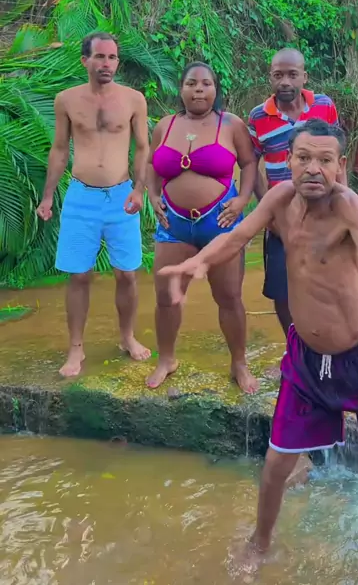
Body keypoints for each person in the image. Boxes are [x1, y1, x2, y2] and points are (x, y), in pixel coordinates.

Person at [159, 119, 358, 574]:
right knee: (275, 465)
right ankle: (259, 544)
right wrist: (201, 261)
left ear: (340, 166)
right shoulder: (279, 200)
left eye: (325, 160)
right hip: (305, 360)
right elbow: (238, 235)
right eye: (303, 157)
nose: (313, 168)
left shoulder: (349, 209)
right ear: (288, 161)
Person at [37, 32, 151, 377]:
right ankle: (76, 348)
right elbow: (60, 149)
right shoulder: (67, 100)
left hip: (121, 196)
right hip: (81, 197)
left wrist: (139, 190)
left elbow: (142, 147)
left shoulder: (133, 100)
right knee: (79, 275)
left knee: (127, 274)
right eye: (100, 56)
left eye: (112, 57)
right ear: (85, 60)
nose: (107, 64)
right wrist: (47, 196)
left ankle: (127, 337)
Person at [145, 61, 258, 394]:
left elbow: (249, 163)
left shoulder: (231, 124)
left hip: (220, 223)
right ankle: (166, 359)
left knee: (229, 297)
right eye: (191, 83)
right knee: (166, 297)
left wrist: (243, 200)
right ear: (180, 88)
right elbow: (151, 164)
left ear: (215, 89)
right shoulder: (164, 126)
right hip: (173, 224)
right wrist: (153, 195)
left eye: (206, 83)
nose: (198, 89)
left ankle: (239, 363)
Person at [248, 48, 341, 337]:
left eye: (292, 74)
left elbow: (337, 155)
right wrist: (268, 210)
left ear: (304, 76)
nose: (285, 82)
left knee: (327, 281)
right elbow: (251, 165)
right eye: (278, 75)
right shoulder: (258, 116)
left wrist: (342, 202)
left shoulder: (324, 106)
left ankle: (325, 342)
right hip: (282, 219)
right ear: (270, 78)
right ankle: (295, 344)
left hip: (323, 212)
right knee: (281, 289)